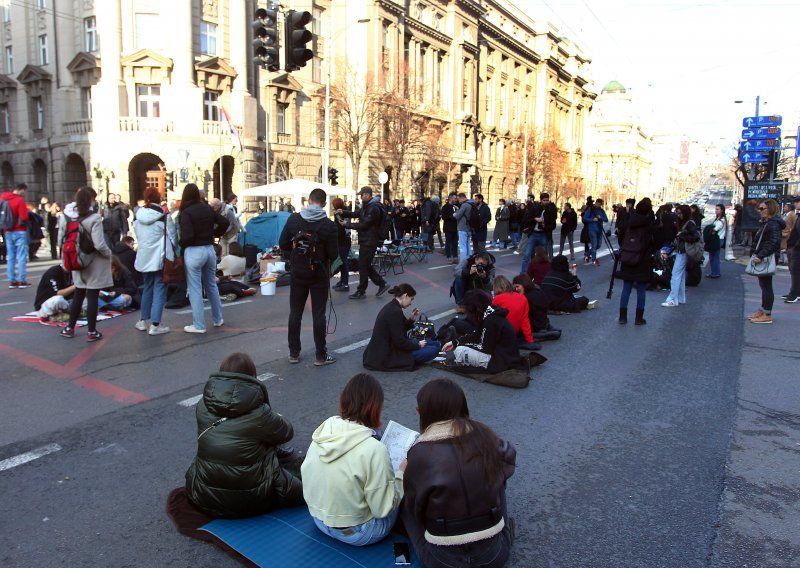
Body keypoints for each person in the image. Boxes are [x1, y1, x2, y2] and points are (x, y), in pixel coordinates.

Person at [402, 378, 515, 568]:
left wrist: (406, 471)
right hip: (494, 556)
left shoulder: (418, 452)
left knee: (405, 502)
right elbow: (508, 460)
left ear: (420, 411)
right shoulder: (486, 436)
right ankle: (502, 531)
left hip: (441, 561)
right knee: (496, 475)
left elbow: (416, 507)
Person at [185, 352, 303, 518]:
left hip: (203, 494)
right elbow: (286, 433)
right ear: (253, 376)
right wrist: (276, 417)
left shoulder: (202, 405)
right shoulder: (259, 413)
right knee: (301, 478)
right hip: (250, 499)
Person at [301, 373, 403, 546]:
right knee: (399, 492)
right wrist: (401, 475)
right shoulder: (374, 450)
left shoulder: (324, 432)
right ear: (376, 408)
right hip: (357, 533)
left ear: (343, 401)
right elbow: (382, 509)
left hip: (319, 520)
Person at [279, 187, 338, 366]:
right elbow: (334, 254)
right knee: (318, 314)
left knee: (295, 312)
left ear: (308, 200)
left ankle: (293, 353)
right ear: (324, 204)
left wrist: (295, 255)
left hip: (298, 272)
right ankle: (321, 355)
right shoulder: (329, 225)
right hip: (319, 273)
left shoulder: (294, 219)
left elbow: (282, 244)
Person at [59, 186, 113, 342]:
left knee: (78, 294)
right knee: (92, 296)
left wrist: (66, 259)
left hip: (75, 260)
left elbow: (60, 241)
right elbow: (99, 244)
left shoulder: (66, 216)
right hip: (94, 262)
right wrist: (109, 254)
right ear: (90, 200)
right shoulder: (94, 218)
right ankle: (92, 331)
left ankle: (69, 328)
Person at [179, 183, 229, 333]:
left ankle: (199, 325)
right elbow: (224, 222)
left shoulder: (186, 212)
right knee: (211, 285)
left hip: (194, 251)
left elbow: (187, 236)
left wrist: (182, 244)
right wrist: (215, 234)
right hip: (209, 249)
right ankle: (218, 318)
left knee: (195, 289)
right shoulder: (207, 208)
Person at [442, 289, 528, 373]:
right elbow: (477, 335)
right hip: (506, 356)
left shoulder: (490, 321)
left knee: (459, 351)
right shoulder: (491, 313)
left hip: (500, 361)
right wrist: (455, 342)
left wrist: (461, 345)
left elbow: (484, 348)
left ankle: (464, 360)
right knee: (461, 347)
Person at [363, 283, 441, 371]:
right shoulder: (395, 311)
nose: (411, 303)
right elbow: (400, 342)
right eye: (411, 299)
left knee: (433, 344)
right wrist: (418, 345)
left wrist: (411, 319)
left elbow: (399, 328)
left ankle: (438, 345)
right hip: (387, 354)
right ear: (405, 295)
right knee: (433, 349)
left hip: (384, 349)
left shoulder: (392, 306)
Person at [133, 186, 177, 335]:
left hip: (144, 257)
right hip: (159, 258)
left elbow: (138, 237)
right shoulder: (164, 217)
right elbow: (173, 237)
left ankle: (143, 320)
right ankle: (156, 325)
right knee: (160, 289)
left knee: (147, 287)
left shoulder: (138, 217)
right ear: (159, 199)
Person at [338, 186, 390, 300]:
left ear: (368, 195)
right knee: (365, 265)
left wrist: (346, 224)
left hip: (370, 241)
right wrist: (343, 212)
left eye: (362, 195)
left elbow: (364, 225)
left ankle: (361, 291)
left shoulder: (373, 208)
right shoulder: (367, 206)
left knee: (363, 266)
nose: (361, 197)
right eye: (361, 195)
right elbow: (356, 214)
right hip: (367, 240)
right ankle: (382, 283)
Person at [615, 198, 654, 325]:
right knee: (641, 289)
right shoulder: (649, 224)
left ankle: (622, 317)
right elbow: (655, 242)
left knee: (626, 288)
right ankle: (639, 318)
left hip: (628, 257)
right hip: (642, 259)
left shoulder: (630, 221)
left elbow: (620, 236)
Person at [748, 199, 785, 324]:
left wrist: (761, 255)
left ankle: (767, 313)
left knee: (766, 286)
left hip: (767, 257)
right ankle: (763, 310)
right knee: (764, 285)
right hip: (765, 256)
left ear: (770, 210)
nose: (760, 211)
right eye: (760, 208)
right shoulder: (768, 223)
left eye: (762, 209)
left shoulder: (773, 224)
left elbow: (773, 242)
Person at [661, 204, 699, 308]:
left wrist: (682, 235)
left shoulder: (689, 223)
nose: (678, 215)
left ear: (685, 213)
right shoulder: (687, 222)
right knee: (680, 275)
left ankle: (673, 299)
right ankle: (680, 298)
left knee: (676, 275)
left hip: (683, 251)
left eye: (680, 213)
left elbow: (695, 237)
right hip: (682, 250)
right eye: (677, 213)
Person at [490, 275, 536, 348]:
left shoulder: (496, 299)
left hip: (502, 334)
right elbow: (525, 321)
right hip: (514, 332)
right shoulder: (522, 297)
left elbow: (489, 319)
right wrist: (530, 340)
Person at [2, 183, 31, 288]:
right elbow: (23, 217)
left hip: (7, 230)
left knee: (10, 256)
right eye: (24, 191)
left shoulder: (3, 199)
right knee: (21, 256)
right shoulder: (19, 200)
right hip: (19, 230)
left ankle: (12, 281)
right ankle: (22, 280)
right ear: (21, 190)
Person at [519, 193, 554, 273]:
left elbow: (553, 224)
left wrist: (546, 226)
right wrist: (535, 219)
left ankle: (543, 272)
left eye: (547, 200)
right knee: (527, 254)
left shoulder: (550, 210)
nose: (546, 202)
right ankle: (523, 273)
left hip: (543, 234)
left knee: (543, 255)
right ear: (541, 200)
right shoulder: (535, 208)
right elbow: (526, 219)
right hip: (534, 234)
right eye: (544, 200)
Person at [331, 197, 352, 292]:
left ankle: (345, 283)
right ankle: (342, 281)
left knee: (343, 262)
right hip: (346, 239)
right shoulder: (345, 211)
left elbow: (340, 227)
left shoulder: (339, 214)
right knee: (342, 261)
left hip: (342, 240)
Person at [582, 197, 608, 266]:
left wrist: (600, 217)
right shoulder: (591, 209)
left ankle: (587, 253)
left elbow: (606, 219)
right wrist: (592, 219)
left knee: (599, 245)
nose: (598, 205)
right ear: (595, 202)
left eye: (599, 204)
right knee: (594, 245)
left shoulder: (602, 211)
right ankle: (594, 259)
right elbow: (584, 218)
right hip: (592, 229)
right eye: (597, 203)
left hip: (599, 229)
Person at [784, 199, 800, 304]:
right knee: (794, 270)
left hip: (797, 248)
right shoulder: (798, 216)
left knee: (795, 271)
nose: (796, 204)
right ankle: (795, 292)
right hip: (794, 246)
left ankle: (794, 294)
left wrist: (795, 246)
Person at [705, 204, 728, 279]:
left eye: (718, 209)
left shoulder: (721, 220)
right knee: (714, 257)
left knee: (714, 257)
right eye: (715, 209)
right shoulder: (718, 219)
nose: (716, 211)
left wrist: (710, 231)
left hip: (717, 240)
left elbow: (714, 230)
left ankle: (715, 273)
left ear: (722, 210)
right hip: (717, 239)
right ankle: (714, 272)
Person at [453, 192, 473, 264]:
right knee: (468, 246)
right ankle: (470, 261)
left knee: (463, 247)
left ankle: (463, 263)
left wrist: (455, 213)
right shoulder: (472, 204)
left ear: (462, 198)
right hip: (469, 227)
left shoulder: (464, 205)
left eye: (459, 199)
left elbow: (458, 216)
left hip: (462, 227)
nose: (458, 201)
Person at [441, 193, 459, 264]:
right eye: (454, 198)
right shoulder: (445, 207)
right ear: (451, 198)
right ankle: (449, 257)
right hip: (448, 228)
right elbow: (444, 217)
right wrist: (452, 216)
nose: (455, 200)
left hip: (455, 228)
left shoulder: (456, 206)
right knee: (448, 243)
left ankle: (455, 257)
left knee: (455, 243)